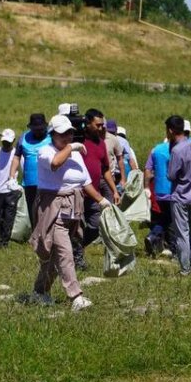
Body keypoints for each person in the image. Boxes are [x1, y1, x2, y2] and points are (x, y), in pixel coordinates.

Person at [27, 114, 107, 311]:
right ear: (52, 134)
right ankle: (76, 297)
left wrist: (102, 200)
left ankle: (39, 292)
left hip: (73, 207)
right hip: (52, 206)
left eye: (69, 133)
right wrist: (72, 148)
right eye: (62, 134)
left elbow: (85, 182)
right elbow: (55, 164)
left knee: (55, 257)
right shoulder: (45, 151)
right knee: (65, 253)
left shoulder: (77, 154)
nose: (66, 137)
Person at [74, 109, 119, 269]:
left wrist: (114, 189)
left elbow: (106, 169)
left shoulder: (101, 144)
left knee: (95, 226)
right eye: (97, 125)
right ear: (88, 124)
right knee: (76, 228)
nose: (101, 128)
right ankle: (77, 261)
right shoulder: (78, 142)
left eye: (102, 125)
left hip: (94, 194)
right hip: (77, 193)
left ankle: (76, 250)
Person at [167, 114, 191, 274]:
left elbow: (171, 175)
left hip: (181, 195)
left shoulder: (177, 150)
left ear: (170, 130)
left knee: (181, 233)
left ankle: (185, 268)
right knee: (190, 230)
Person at [10, 113, 50, 227]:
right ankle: (35, 234)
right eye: (35, 129)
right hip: (29, 183)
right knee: (32, 209)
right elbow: (17, 157)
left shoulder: (51, 138)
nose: (38, 131)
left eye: (41, 129)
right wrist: (12, 176)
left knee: (46, 210)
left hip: (47, 182)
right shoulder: (23, 138)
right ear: (31, 128)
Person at [143, 130, 173, 256]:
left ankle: (155, 238)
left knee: (160, 217)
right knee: (169, 219)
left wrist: (146, 188)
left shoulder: (155, 150)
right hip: (172, 190)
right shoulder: (175, 151)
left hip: (157, 190)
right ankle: (158, 238)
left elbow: (147, 171)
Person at [103, 120, 127, 187]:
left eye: (113, 132)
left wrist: (123, 179)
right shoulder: (99, 139)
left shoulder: (118, 140)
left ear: (116, 131)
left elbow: (122, 159)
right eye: (110, 132)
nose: (112, 134)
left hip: (112, 175)